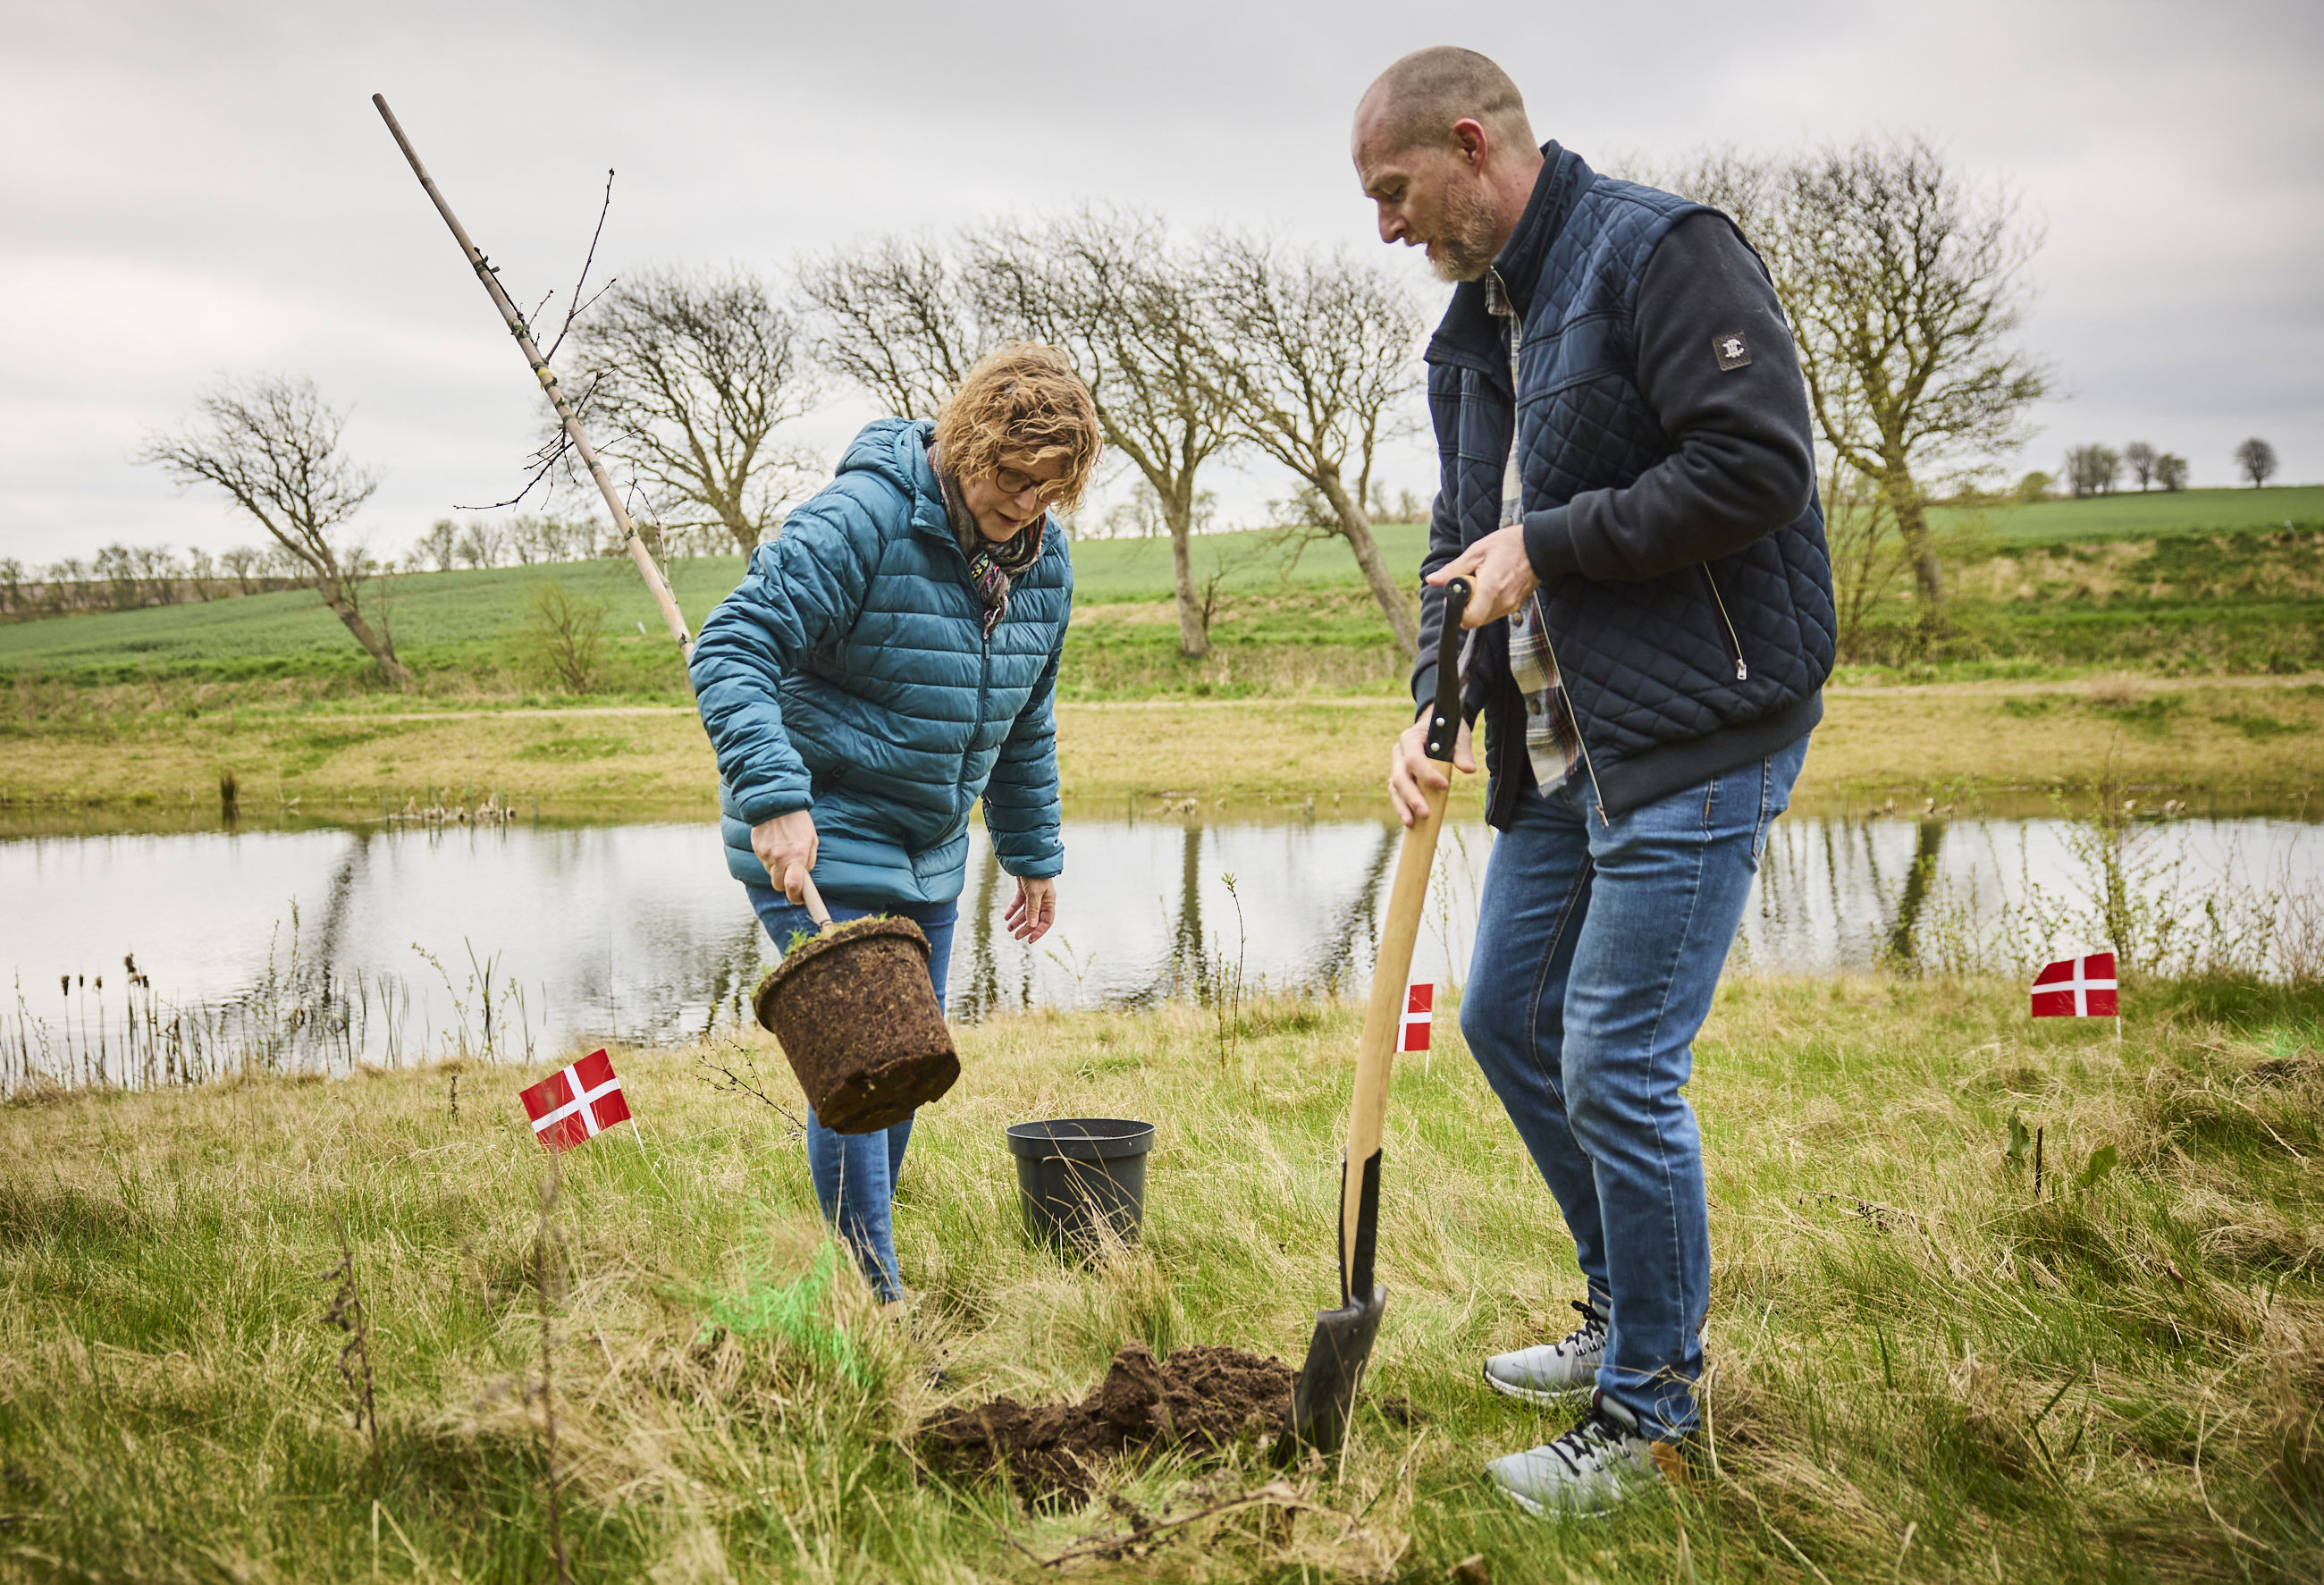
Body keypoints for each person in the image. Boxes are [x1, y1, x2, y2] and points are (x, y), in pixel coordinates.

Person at [1352, 48, 1835, 1514]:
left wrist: (1548, 545)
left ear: (1471, 141)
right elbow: (1460, 541)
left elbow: (1757, 464)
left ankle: (1656, 1411)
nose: (1383, 227)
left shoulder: (1661, 254)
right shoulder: (1471, 329)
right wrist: (1432, 708)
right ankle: (1624, 1315)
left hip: (1700, 723)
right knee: (1506, 1019)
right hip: (1561, 751)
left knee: (1619, 1060)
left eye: (1393, 192)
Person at [688, 343, 1099, 1307]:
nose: (1025, 503)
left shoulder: (1042, 562)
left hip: (931, 851)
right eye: (1010, 476)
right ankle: (877, 1297)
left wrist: (1032, 849)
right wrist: (774, 799)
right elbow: (732, 644)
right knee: (861, 1067)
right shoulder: (863, 520)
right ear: (965, 441)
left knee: (904, 1067)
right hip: (819, 833)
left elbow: (1025, 710)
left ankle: (858, 1259)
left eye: (1048, 486)